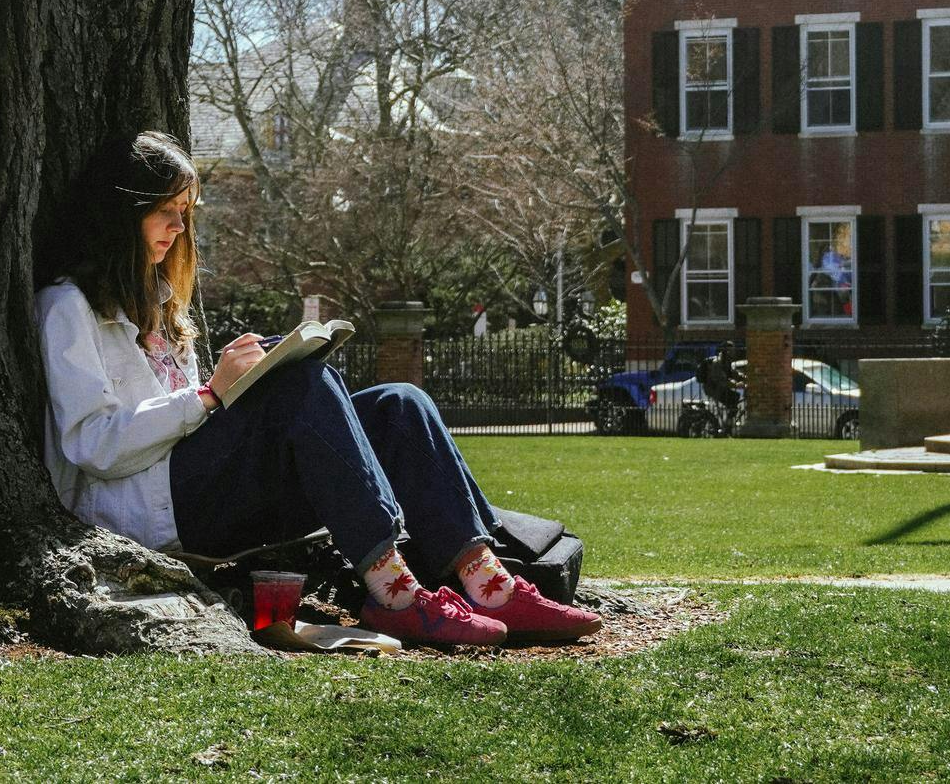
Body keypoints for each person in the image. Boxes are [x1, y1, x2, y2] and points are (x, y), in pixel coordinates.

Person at [33, 130, 600, 647]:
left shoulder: (157, 299)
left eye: (186, 213)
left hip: (197, 481)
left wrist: (245, 380)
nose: (180, 230)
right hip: (145, 510)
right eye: (165, 213)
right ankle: (395, 594)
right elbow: (94, 446)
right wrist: (210, 396)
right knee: (302, 389)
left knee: (401, 405)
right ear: (121, 216)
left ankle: (491, 582)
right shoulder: (68, 308)